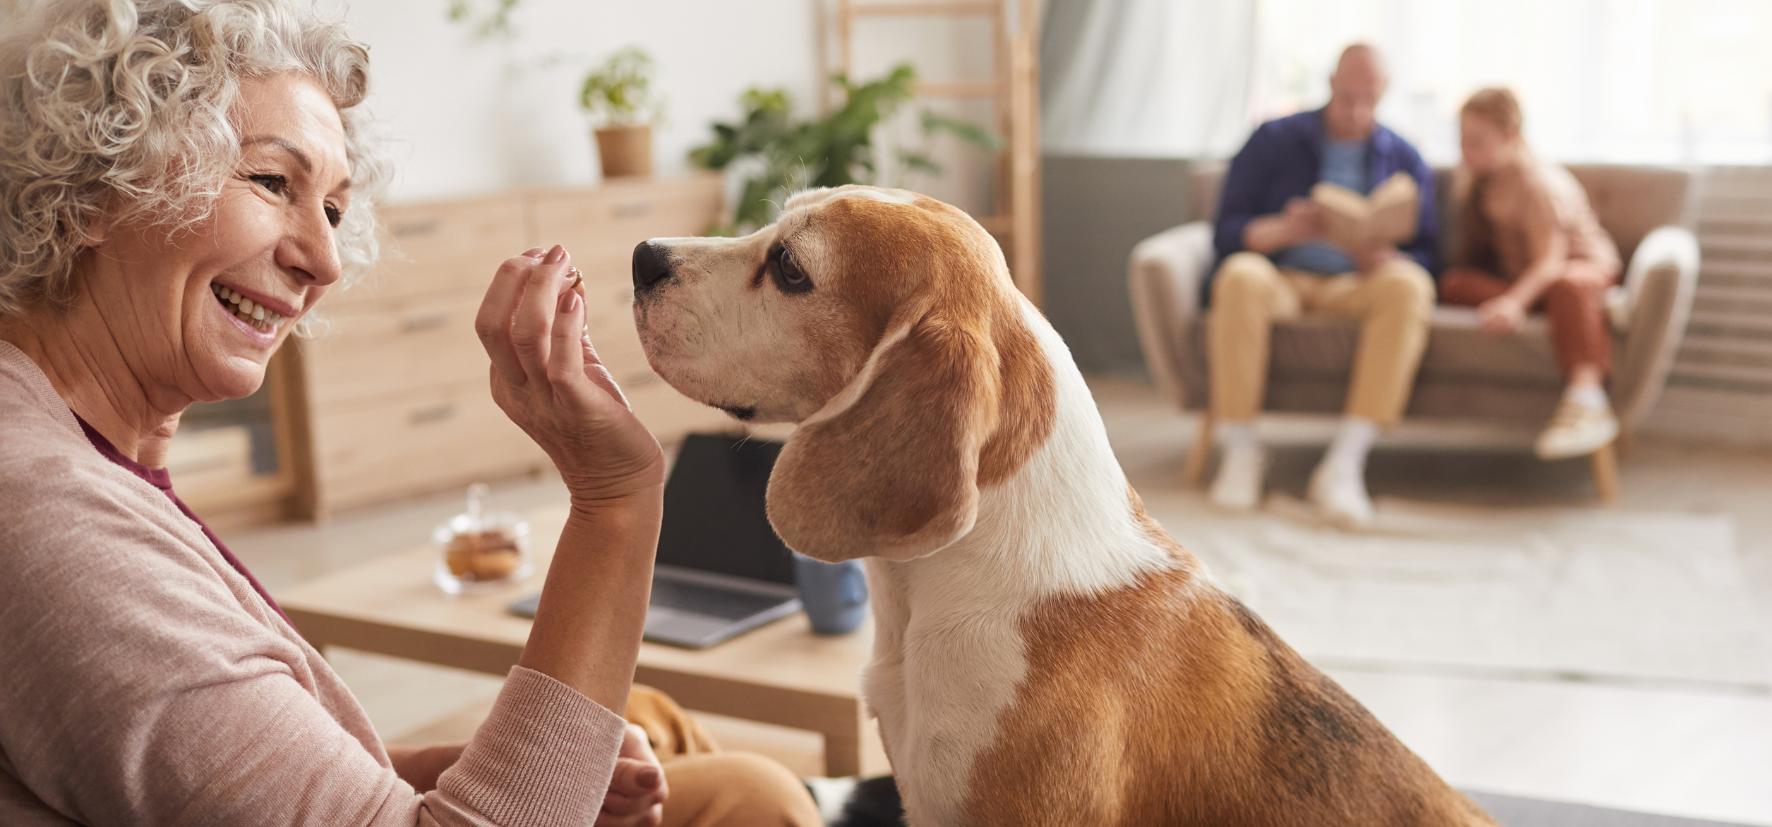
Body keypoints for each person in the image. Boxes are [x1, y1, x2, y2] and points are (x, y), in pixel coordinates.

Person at [0, 1, 819, 825]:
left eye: (332, 210)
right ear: (94, 191)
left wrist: (416, 768)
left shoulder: (66, 445)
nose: (322, 260)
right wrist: (617, 499)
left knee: (697, 755)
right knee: (755, 797)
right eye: (272, 181)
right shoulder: (50, 519)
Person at [1206, 43, 1439, 526]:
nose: (1356, 110)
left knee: (1410, 285)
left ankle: (1345, 462)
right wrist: (1281, 229)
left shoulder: (1405, 157)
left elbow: (1433, 254)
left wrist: (1390, 256)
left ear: (1384, 95)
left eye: (1368, 99)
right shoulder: (1273, 138)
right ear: (1330, 83)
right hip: (1282, 277)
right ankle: (1243, 449)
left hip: (1356, 284)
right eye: (1347, 95)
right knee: (1239, 276)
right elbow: (1226, 231)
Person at [1441, 88, 1624, 459]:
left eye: (1476, 141)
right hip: (1529, 279)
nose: (1465, 150)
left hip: (1573, 270)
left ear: (1510, 137)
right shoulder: (1483, 180)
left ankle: (1586, 398)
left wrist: (1512, 302)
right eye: (1462, 140)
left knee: (1565, 285)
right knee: (1454, 285)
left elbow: (1550, 262)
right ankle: (1563, 312)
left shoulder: (1539, 185)